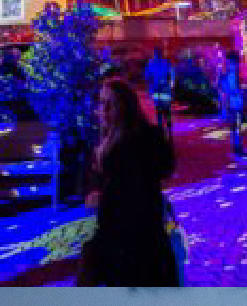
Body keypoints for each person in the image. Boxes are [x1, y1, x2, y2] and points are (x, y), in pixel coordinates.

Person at [77, 76, 181, 286]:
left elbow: (152, 174)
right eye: (101, 103)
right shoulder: (104, 141)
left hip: (139, 234)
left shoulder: (142, 138)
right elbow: (92, 180)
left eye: (110, 104)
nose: (103, 110)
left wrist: (104, 195)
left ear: (125, 107)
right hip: (114, 231)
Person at [217, 53, 246, 159]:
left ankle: (237, 147)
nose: (236, 65)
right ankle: (237, 148)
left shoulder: (231, 73)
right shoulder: (228, 74)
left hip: (235, 102)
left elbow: (222, 87)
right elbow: (223, 88)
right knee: (235, 126)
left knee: (236, 126)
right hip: (232, 102)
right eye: (234, 63)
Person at [143, 46, 174, 136]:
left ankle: (164, 130)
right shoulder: (163, 63)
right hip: (162, 89)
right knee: (163, 110)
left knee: (161, 110)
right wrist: (171, 86)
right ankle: (167, 130)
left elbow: (147, 77)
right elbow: (172, 75)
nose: (157, 55)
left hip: (159, 89)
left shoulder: (152, 63)